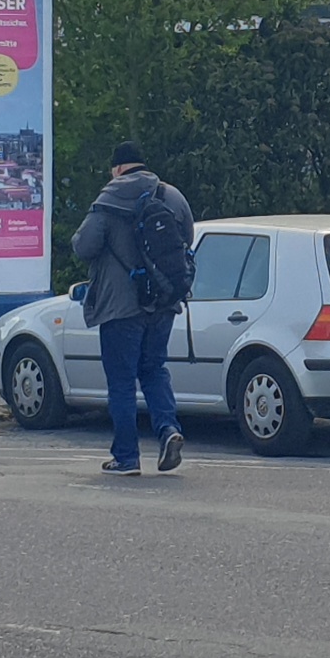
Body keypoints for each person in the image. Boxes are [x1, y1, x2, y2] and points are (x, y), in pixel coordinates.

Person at [71, 142, 192, 476]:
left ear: (117, 168)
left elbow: (83, 247)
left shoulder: (109, 200)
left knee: (122, 381)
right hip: (164, 302)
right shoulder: (172, 196)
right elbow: (187, 239)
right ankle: (168, 430)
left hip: (120, 307)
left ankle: (126, 457)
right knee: (154, 369)